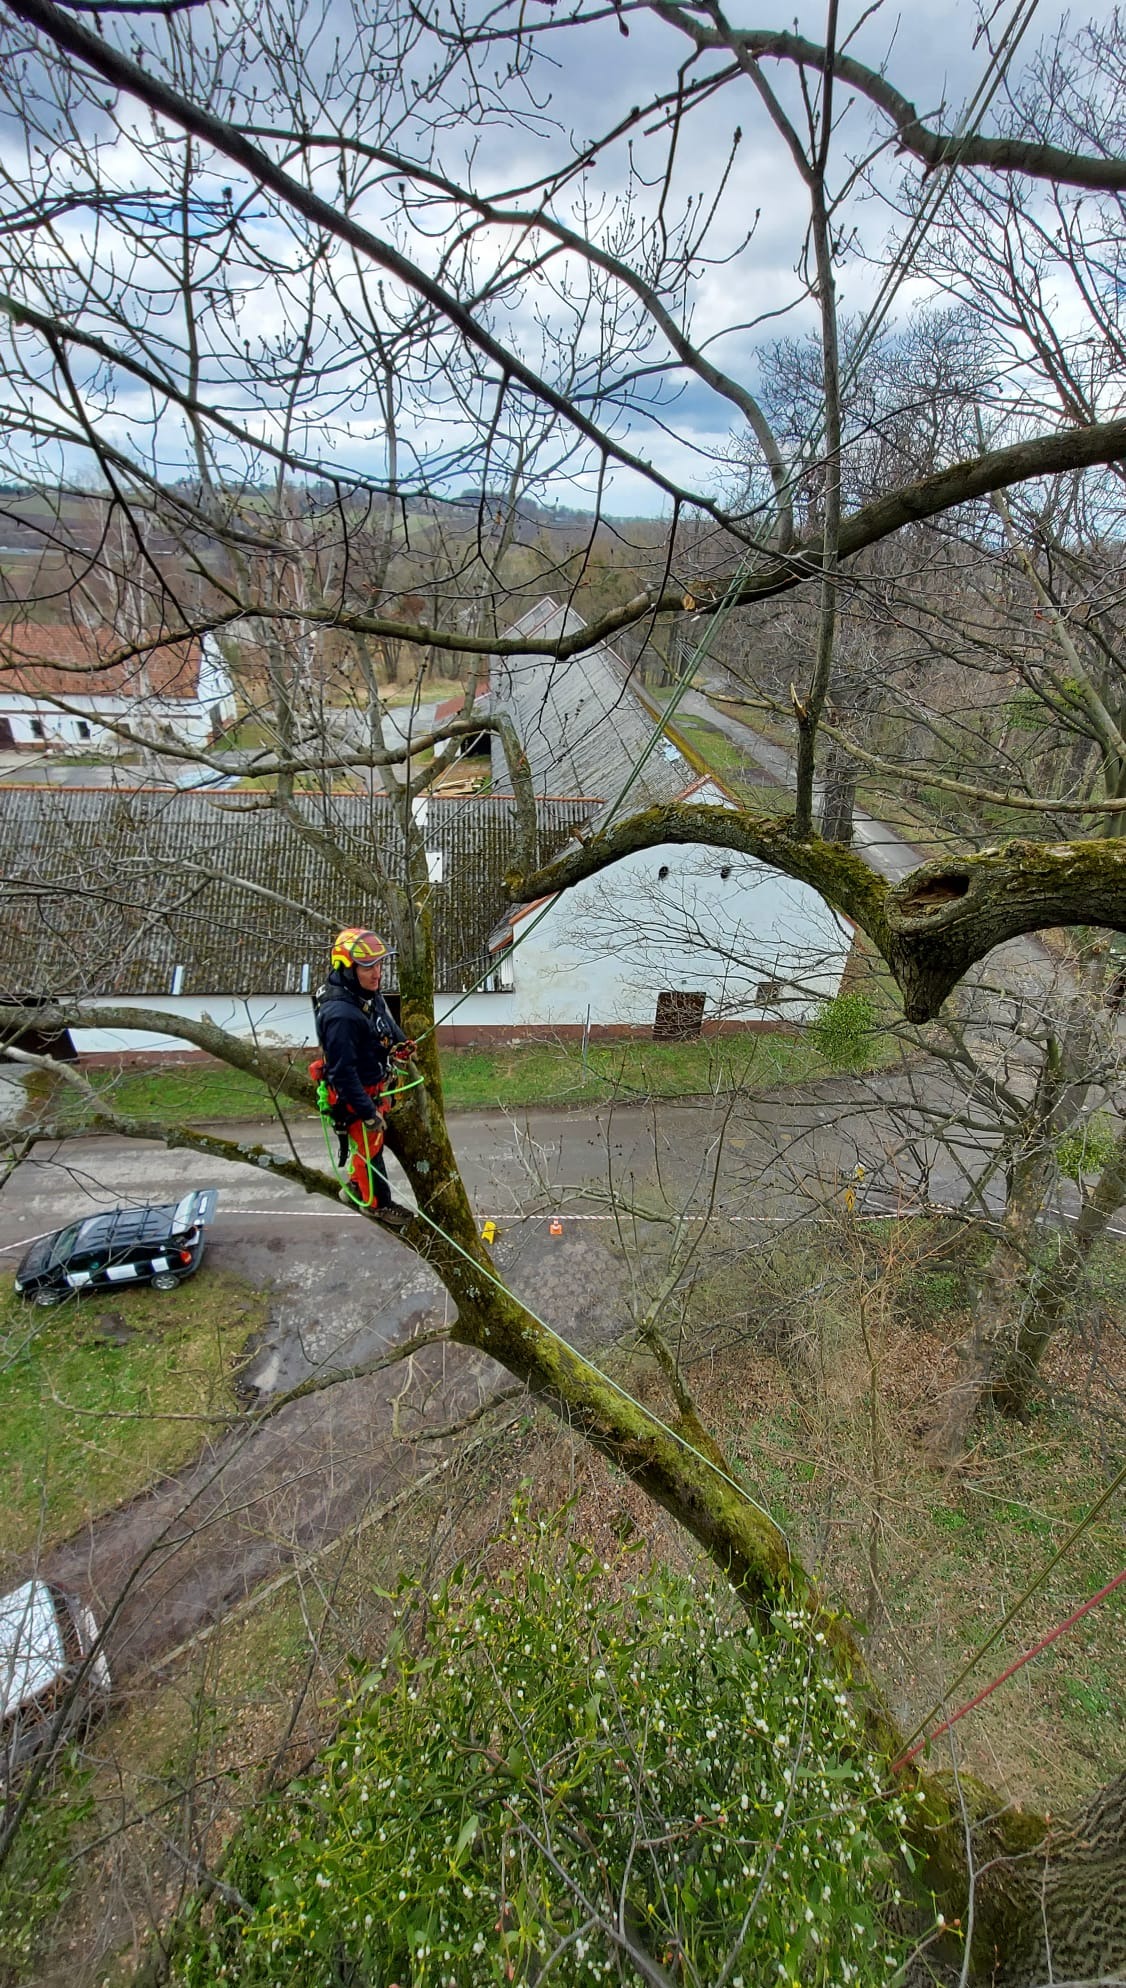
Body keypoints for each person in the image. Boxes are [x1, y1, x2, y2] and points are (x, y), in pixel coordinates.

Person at [312, 927, 415, 1227]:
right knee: (371, 1151)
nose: (377, 973)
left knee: (370, 1146)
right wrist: (368, 1113)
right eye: (369, 967)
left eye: (380, 965)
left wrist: (399, 1042)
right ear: (347, 969)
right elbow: (342, 1074)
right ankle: (378, 1204)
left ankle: (357, 1184)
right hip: (355, 1092)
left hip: (372, 1081)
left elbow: (384, 1018)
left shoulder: (365, 992)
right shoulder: (341, 1016)